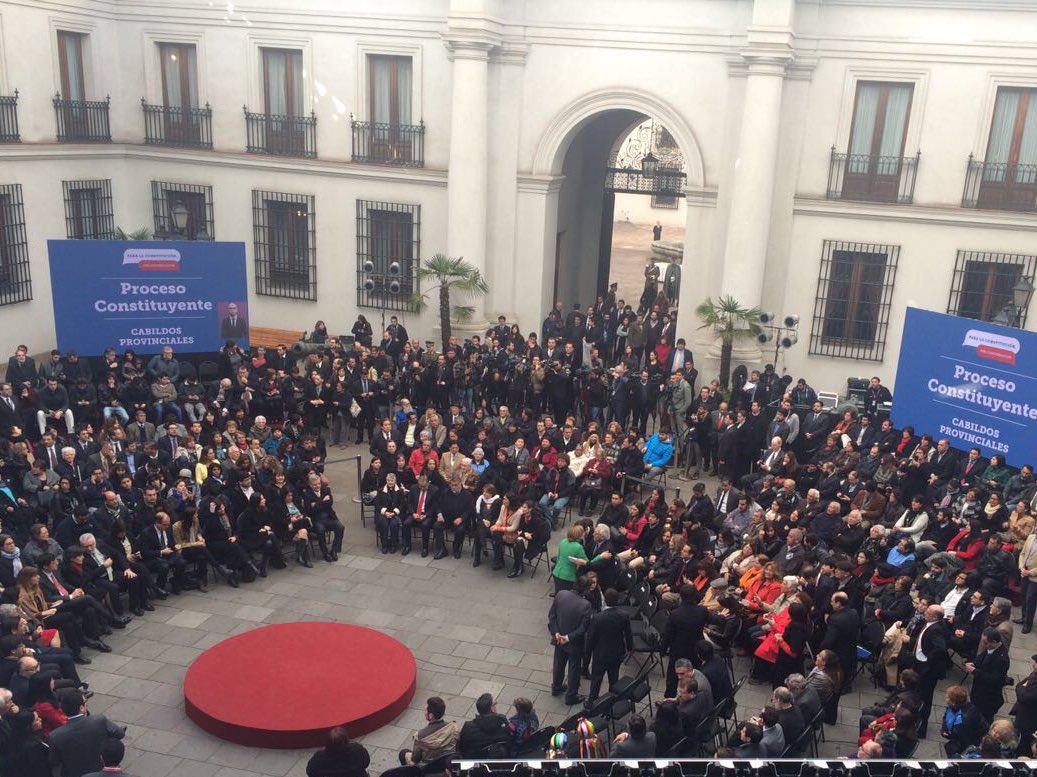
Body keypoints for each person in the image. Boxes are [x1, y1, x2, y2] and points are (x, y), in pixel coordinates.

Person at [48, 689, 126, 777]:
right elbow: (120, 733)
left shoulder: (55, 736)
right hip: (100, 771)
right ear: (81, 708)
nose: (87, 704)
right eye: (85, 702)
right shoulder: (99, 721)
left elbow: (54, 761)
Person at [548, 576, 593, 705]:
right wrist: (567, 638)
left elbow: (552, 616)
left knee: (558, 663)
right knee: (574, 668)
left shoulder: (561, 594)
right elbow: (583, 628)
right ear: (585, 589)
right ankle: (571, 696)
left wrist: (557, 633)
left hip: (558, 638)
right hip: (574, 643)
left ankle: (556, 687)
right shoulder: (586, 605)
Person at [585, 588, 632, 701]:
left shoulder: (597, 618)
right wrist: (629, 648)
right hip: (616, 653)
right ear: (617, 601)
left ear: (605, 600)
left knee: (596, 680)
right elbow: (628, 634)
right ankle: (612, 701)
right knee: (614, 679)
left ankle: (592, 702)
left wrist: (587, 652)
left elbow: (590, 638)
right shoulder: (624, 615)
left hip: (600, 654)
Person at [457, 693, 512, 758]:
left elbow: (462, 747)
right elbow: (509, 741)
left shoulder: (468, 727)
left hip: (477, 759)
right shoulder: (502, 721)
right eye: (494, 704)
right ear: (492, 708)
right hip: (501, 757)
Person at [305, 726, 371, 777]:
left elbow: (310, 772)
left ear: (328, 742)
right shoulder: (357, 749)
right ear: (346, 740)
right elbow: (366, 762)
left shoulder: (320, 757)